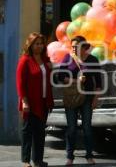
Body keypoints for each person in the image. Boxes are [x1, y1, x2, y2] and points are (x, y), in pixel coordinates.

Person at [58, 36, 101, 166]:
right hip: (72, 98)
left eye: (76, 46)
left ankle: (89, 155)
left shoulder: (93, 60)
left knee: (87, 128)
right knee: (71, 128)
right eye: (72, 46)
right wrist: (77, 81)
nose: (74, 49)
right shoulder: (68, 58)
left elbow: (98, 82)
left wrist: (95, 99)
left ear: (84, 47)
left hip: (87, 98)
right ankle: (70, 157)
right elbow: (61, 77)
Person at [16, 33, 54, 167]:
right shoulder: (25, 60)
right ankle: (26, 161)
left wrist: (51, 68)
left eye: (41, 44)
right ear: (30, 45)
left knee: (40, 133)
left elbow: (50, 80)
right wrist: (24, 101)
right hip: (30, 102)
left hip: (43, 102)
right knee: (27, 132)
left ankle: (38, 160)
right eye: (36, 44)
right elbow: (20, 83)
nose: (39, 46)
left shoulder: (45, 60)